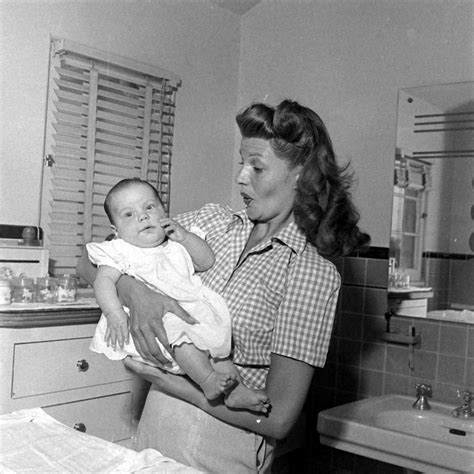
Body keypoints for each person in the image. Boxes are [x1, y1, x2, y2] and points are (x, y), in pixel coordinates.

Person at [77, 99, 370, 473]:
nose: (241, 177)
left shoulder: (310, 273)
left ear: (301, 174)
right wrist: (137, 293)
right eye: (241, 163)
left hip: (221, 452)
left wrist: (165, 380)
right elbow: (88, 260)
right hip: (153, 433)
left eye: (257, 166)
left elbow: (278, 419)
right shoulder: (212, 223)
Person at [87, 178, 270, 411]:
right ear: (116, 231)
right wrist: (114, 313)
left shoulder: (176, 243)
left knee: (218, 351)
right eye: (129, 215)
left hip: (191, 311)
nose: (142, 216)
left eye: (149, 207)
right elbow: (103, 281)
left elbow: (206, 261)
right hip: (159, 324)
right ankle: (207, 381)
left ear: (164, 211)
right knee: (178, 333)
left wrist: (184, 237)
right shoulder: (119, 250)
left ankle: (236, 391)